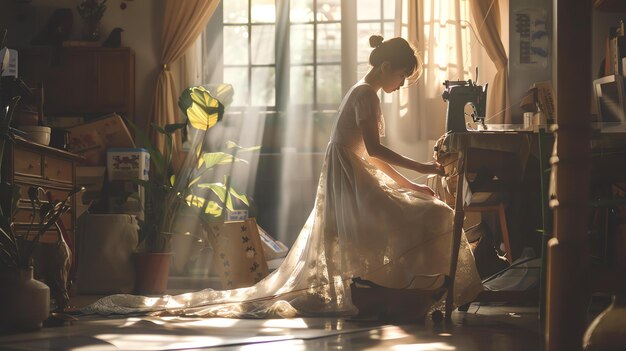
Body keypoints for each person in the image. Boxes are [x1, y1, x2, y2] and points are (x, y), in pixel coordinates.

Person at [83, 35, 482, 319]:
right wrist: (424, 172)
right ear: (386, 67)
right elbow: (374, 154)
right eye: (401, 77)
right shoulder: (365, 94)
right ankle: (421, 292)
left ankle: (407, 290)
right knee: (434, 214)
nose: (399, 86)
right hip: (353, 183)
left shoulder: (363, 92)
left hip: (354, 178)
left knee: (426, 206)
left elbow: (372, 157)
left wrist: (412, 183)